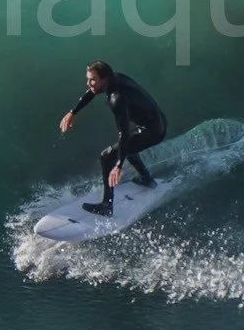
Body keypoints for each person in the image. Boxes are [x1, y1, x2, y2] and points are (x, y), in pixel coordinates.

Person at [58, 60, 167, 215]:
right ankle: (147, 180)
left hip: (153, 132)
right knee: (128, 148)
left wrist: (118, 165)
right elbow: (91, 92)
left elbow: (124, 133)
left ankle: (107, 205)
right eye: (88, 79)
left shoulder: (117, 98)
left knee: (106, 157)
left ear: (104, 79)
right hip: (156, 122)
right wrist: (73, 112)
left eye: (93, 80)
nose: (88, 83)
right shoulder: (115, 78)